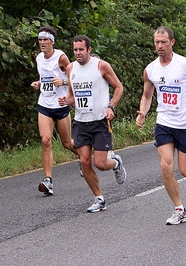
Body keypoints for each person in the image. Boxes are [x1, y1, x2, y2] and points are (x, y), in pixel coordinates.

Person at [135, 26, 186, 225]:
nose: (159, 46)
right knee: (165, 165)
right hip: (164, 122)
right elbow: (147, 95)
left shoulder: (184, 64)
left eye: (163, 42)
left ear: (172, 42)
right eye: (156, 42)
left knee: (185, 171)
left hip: (185, 124)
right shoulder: (150, 69)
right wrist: (143, 112)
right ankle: (179, 209)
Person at [58, 35, 126, 213]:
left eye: (81, 50)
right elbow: (73, 96)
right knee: (84, 161)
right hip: (81, 122)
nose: (78, 53)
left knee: (101, 164)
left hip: (100, 121)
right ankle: (99, 198)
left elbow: (119, 87)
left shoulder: (101, 66)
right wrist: (66, 100)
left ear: (89, 49)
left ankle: (116, 163)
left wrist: (111, 106)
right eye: (75, 50)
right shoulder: (71, 68)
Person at [30, 25, 79, 195]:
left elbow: (75, 76)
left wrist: (64, 82)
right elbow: (43, 78)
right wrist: (39, 83)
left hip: (61, 103)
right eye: (40, 40)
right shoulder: (39, 58)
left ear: (52, 41)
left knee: (67, 143)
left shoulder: (61, 58)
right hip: (44, 104)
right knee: (45, 140)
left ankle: (83, 156)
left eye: (45, 40)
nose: (42, 43)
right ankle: (48, 180)